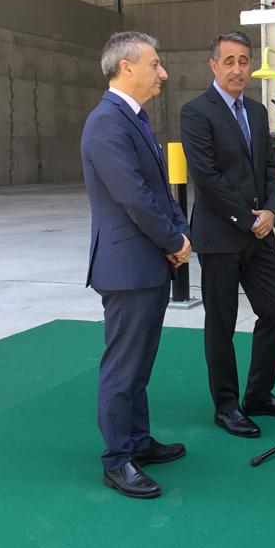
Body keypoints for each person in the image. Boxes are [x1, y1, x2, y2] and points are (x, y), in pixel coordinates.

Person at [81, 31, 191, 499]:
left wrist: (179, 231)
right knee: (123, 367)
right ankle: (117, 460)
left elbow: (160, 191)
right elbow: (134, 197)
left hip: (147, 263)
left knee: (140, 362)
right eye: (154, 64)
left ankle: (138, 441)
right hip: (128, 267)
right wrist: (174, 240)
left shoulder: (133, 118)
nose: (162, 72)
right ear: (126, 67)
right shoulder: (107, 122)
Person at [180, 30, 275, 439]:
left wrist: (271, 210)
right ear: (214, 65)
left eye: (244, 61)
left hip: (259, 233)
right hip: (220, 236)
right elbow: (207, 177)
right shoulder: (196, 113)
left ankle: (258, 396)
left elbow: (270, 166)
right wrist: (247, 219)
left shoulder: (257, 111)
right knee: (222, 323)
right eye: (229, 61)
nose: (237, 69)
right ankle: (227, 406)